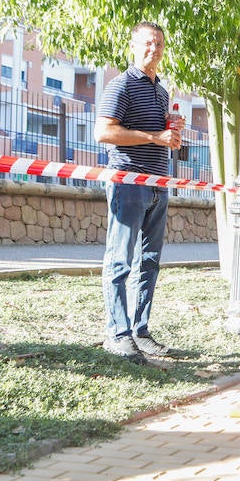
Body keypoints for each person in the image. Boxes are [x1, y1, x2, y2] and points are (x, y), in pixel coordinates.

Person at [94, 22, 183, 363]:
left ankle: (139, 331)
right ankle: (117, 334)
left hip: (159, 185)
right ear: (134, 46)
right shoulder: (121, 85)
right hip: (129, 183)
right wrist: (153, 137)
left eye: (159, 43)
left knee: (149, 262)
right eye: (148, 43)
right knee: (119, 261)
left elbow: (158, 134)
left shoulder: (161, 91)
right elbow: (104, 132)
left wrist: (170, 134)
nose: (154, 49)